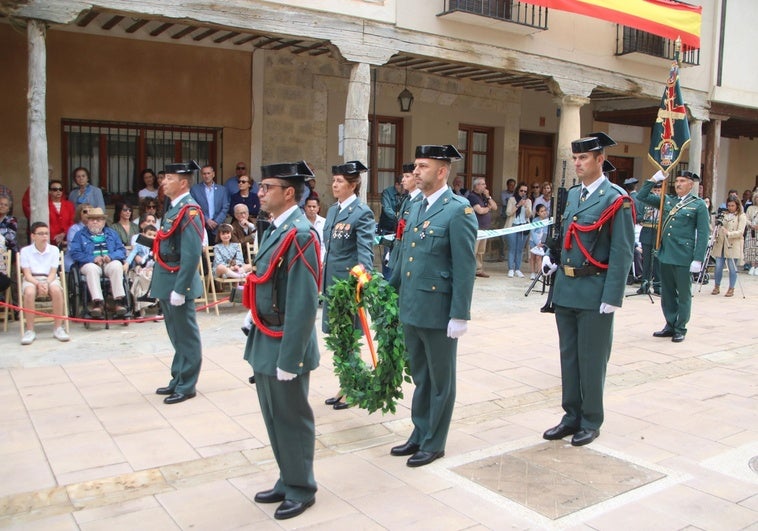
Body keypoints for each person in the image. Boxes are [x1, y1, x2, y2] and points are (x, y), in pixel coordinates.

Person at [540, 132, 634, 447]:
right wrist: (552, 259)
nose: (578, 163)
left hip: (595, 290)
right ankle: (571, 416)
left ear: (599, 160)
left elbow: (621, 251)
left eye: (583, 158)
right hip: (566, 288)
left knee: (591, 359)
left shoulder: (615, 198)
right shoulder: (573, 195)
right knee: (569, 358)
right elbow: (567, 237)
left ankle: (591, 419)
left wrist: (612, 296)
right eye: (575, 158)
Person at [388, 144, 477, 467]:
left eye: (423, 166)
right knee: (421, 376)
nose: (416, 172)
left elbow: (464, 267)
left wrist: (459, 314)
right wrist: (388, 292)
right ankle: (420, 431)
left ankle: (435, 441)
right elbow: (404, 258)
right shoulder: (415, 208)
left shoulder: (458, 210)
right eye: (416, 166)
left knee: (441, 380)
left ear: (442, 172)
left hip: (439, 311)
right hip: (413, 306)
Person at [243, 161, 320, 521]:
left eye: (266, 187)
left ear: (288, 192)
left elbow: (304, 303)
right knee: (274, 417)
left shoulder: (300, 233)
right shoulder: (275, 229)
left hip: (286, 341)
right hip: (267, 334)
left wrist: (291, 358)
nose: (259, 193)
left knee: (291, 417)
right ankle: (287, 477)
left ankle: (302, 487)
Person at [321, 161, 375, 410]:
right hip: (331, 286)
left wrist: (362, 279)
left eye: (340, 181)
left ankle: (355, 389)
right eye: (334, 180)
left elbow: (365, 252)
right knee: (338, 340)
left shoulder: (361, 213)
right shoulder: (332, 211)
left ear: (352, 185)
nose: (334, 184)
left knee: (349, 340)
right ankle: (345, 385)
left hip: (347, 288)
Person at [151, 161, 205, 405]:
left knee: (186, 335)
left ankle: (187, 384)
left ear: (183, 183)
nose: (163, 182)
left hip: (178, 281)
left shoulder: (190, 210)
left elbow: (192, 253)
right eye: (164, 178)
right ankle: (178, 377)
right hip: (167, 277)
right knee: (175, 333)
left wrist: (181, 289)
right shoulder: (173, 207)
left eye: (169, 178)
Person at [637, 170, 710, 343]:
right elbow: (642, 196)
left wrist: (698, 259)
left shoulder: (698, 205)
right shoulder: (667, 200)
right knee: (667, 293)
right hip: (666, 253)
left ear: (691, 185)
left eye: (682, 181)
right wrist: (654, 179)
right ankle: (670, 324)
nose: (678, 184)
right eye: (676, 180)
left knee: (683, 294)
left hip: (684, 256)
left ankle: (680, 327)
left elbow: (703, 233)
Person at [69, 207, 129, 318]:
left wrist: (111, 256)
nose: (95, 222)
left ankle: (118, 302)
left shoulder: (112, 233)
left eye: (98, 219)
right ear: (87, 221)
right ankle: (98, 303)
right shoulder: (80, 235)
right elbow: (75, 253)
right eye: (92, 219)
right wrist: (92, 258)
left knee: (117, 265)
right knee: (92, 269)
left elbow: (121, 250)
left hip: (108, 263)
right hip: (89, 264)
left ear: (104, 222)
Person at [19, 222, 70, 345]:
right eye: (41, 234)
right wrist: (37, 284)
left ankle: (58, 328)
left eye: (46, 233)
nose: (44, 237)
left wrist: (46, 283)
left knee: (57, 291)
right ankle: (30, 330)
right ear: (33, 236)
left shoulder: (53, 249)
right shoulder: (25, 251)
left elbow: (53, 272)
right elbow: (27, 274)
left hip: (49, 278)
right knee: (29, 292)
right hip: (32, 279)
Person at [386, 163, 421, 273]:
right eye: (403, 177)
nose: (402, 180)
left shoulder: (422, 200)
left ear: (416, 178)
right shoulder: (407, 199)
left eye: (407, 176)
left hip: (411, 253)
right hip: (400, 250)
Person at [711, 197, 746, 297]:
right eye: (729, 205)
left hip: (732, 244)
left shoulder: (741, 216)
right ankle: (716, 286)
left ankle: (731, 288)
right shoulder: (724, 214)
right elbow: (717, 227)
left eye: (732, 206)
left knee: (732, 267)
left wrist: (729, 233)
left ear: (737, 206)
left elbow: (740, 232)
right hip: (721, 244)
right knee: (718, 266)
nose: (730, 208)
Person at [190, 165, 229, 244]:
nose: (206, 176)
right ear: (201, 175)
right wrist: (207, 220)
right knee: (204, 253)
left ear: (213, 174)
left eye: (208, 173)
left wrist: (216, 221)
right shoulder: (195, 189)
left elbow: (225, 207)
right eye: (204, 174)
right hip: (202, 226)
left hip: (218, 227)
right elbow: (194, 207)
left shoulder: (222, 189)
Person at [125, 223, 158, 317]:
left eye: (154, 235)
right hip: (140, 268)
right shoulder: (139, 245)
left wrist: (152, 267)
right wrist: (127, 263)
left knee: (151, 275)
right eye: (149, 234)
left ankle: (156, 304)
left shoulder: (157, 246)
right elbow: (132, 254)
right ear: (143, 235)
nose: (152, 237)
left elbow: (158, 259)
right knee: (139, 279)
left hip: (153, 269)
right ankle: (140, 310)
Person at [635, 182, 662, 295]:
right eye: (655, 190)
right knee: (646, 261)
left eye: (658, 190)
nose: (656, 192)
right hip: (646, 231)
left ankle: (657, 285)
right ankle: (644, 284)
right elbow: (637, 217)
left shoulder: (664, 202)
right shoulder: (645, 202)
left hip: (658, 233)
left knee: (657, 261)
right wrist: (646, 216)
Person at [468, 177, 497, 278]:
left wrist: (488, 196)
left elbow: (495, 207)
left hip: (484, 228)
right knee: (474, 250)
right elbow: (480, 210)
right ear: (477, 186)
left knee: (481, 251)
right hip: (476, 228)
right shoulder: (472, 197)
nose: (485, 186)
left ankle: (479, 269)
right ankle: (470, 271)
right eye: (483, 184)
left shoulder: (484, 196)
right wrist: (488, 208)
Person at [504, 182, 532, 278]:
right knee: (512, 248)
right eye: (521, 191)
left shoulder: (528, 201)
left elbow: (529, 215)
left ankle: (518, 269)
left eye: (525, 191)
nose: (523, 193)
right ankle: (511, 268)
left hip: (523, 226)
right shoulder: (512, 199)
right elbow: (508, 213)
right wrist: (518, 205)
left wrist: (526, 207)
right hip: (513, 225)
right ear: (517, 190)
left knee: (520, 249)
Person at [377, 177, 404, 277]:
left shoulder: (405, 193)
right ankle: (387, 278)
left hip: (399, 229)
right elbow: (387, 209)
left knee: (398, 254)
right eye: (401, 186)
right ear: (396, 184)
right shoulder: (387, 192)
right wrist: (398, 218)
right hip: (387, 228)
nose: (403, 189)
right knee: (387, 255)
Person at [47, 179, 76, 248]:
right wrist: (55, 237)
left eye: (60, 189)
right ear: (50, 191)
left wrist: (64, 234)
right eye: (55, 189)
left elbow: (72, 221)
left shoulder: (69, 205)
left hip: (67, 238)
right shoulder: (45, 206)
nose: (58, 191)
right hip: (50, 240)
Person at [64, 203, 91, 272]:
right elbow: (72, 248)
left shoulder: (95, 228)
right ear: (79, 214)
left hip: (91, 258)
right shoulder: (74, 229)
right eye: (85, 211)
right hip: (75, 259)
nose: (88, 213)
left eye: (90, 211)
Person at [528, 203, 549, 279]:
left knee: (539, 257)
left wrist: (542, 242)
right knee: (533, 257)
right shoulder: (535, 220)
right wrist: (537, 243)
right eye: (541, 211)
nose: (544, 212)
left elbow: (546, 232)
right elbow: (533, 232)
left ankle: (539, 273)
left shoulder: (547, 221)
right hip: (533, 241)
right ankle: (533, 272)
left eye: (545, 210)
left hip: (542, 242)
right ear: (538, 213)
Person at [303, 196, 326, 263]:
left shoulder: (324, 222)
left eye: (314, 206)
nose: (311, 209)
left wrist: (321, 260)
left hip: (320, 259)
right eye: (309, 206)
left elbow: (324, 243)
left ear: (318, 208)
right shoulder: (298, 222)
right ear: (305, 207)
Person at [498, 178, 516, 262]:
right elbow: (505, 203)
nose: (512, 187)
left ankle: (510, 255)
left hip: (512, 218)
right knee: (501, 236)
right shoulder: (503, 193)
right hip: (503, 217)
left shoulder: (516, 194)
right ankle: (501, 255)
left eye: (513, 185)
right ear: (507, 185)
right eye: (510, 185)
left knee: (512, 236)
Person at [745, 191, 758, 275]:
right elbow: (746, 219)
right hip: (752, 231)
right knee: (751, 248)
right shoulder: (750, 208)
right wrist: (752, 225)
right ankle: (752, 266)